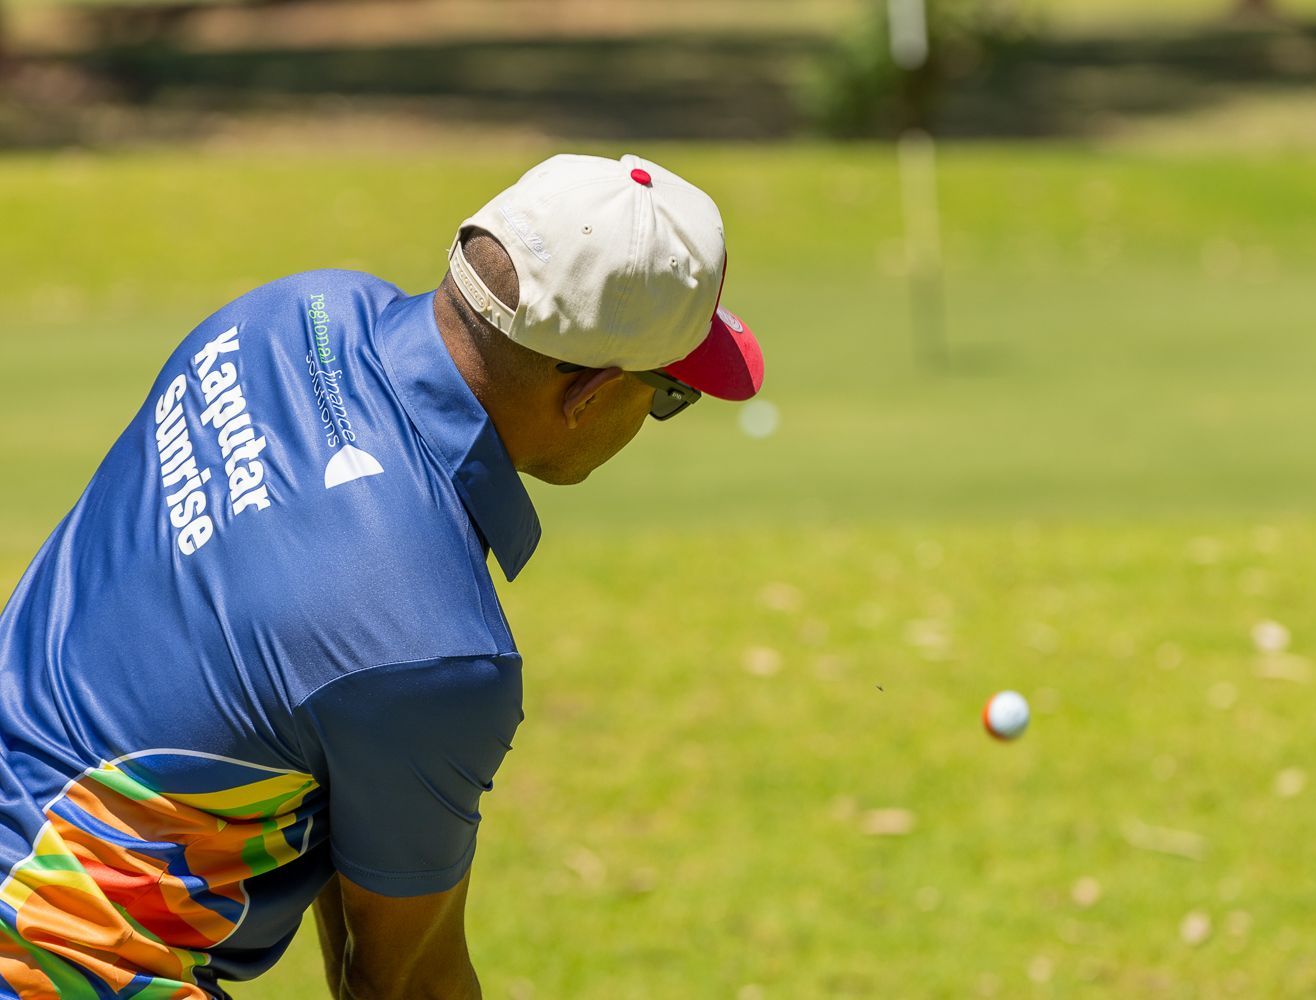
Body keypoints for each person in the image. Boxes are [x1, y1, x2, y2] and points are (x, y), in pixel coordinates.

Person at [0, 153, 764, 999]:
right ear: (588, 392)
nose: (656, 416)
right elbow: (405, 984)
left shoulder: (292, 310)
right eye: (669, 395)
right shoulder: (431, 649)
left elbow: (324, 727)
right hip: (48, 957)